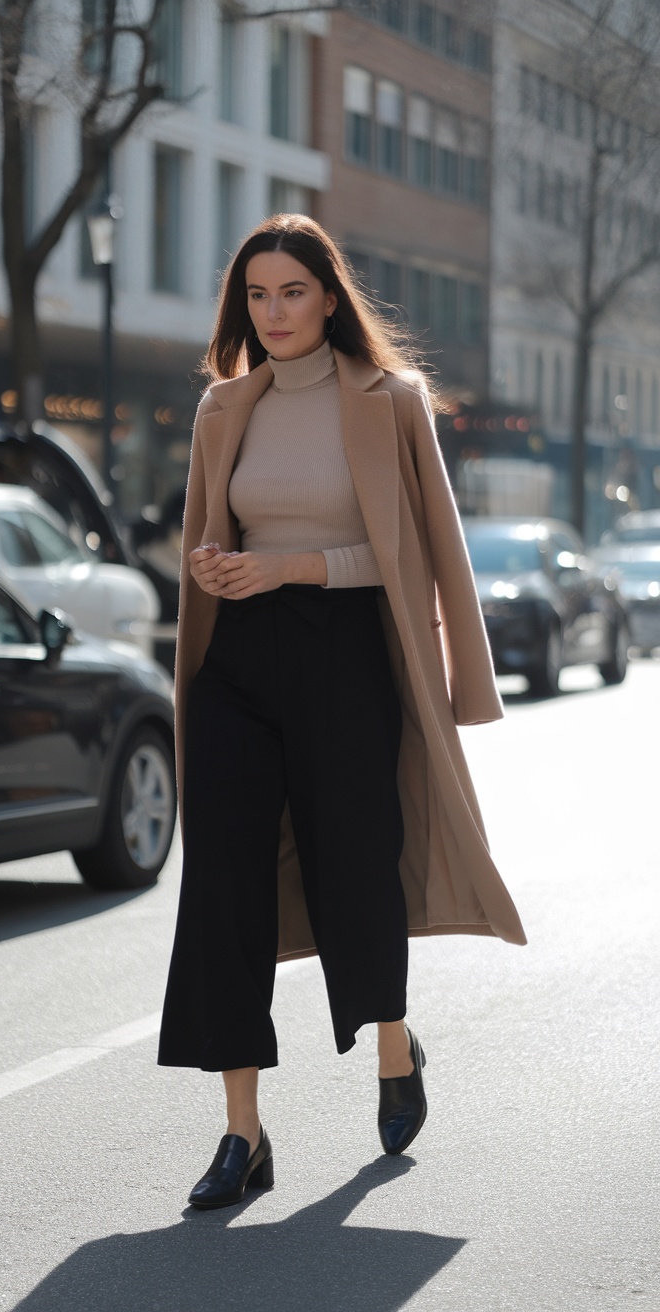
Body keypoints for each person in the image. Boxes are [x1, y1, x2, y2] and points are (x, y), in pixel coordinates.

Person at [158, 214, 526, 1210]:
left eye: (291, 291)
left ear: (328, 296)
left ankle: (393, 1042)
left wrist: (291, 564)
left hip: (349, 654)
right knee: (221, 883)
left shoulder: (388, 401)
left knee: (353, 863)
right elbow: (210, 536)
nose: (272, 312)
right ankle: (242, 1133)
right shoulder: (222, 410)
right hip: (236, 662)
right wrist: (213, 564)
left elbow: (407, 555)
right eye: (255, 295)